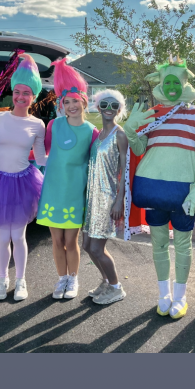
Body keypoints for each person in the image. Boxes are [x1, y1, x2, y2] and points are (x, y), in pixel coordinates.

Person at [122, 59, 195, 320]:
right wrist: (131, 130)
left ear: (183, 84)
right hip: (152, 187)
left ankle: (180, 297)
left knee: (182, 244)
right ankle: (164, 295)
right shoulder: (153, 113)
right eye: (167, 82)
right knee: (158, 243)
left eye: (176, 82)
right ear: (161, 84)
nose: (171, 86)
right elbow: (139, 149)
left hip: (183, 190)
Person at [0, 54, 46, 304]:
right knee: (2, 237)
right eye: (18, 91)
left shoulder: (38, 124)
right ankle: (3, 279)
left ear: (34, 96)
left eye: (27, 93)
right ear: (13, 92)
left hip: (23, 183)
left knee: (19, 236)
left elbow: (41, 159)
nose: (21, 97)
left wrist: (71, 158)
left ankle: (21, 280)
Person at [36, 59, 98, 300]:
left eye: (76, 101)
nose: (72, 106)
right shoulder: (53, 125)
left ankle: (73, 278)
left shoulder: (91, 131)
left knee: (71, 241)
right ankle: (61, 278)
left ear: (84, 101)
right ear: (62, 104)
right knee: (56, 240)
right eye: (67, 102)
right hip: (53, 192)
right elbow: (43, 152)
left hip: (74, 193)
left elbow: (95, 164)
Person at [82, 89, 129, 305]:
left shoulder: (119, 135)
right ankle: (106, 281)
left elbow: (125, 170)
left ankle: (116, 288)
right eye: (104, 105)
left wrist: (119, 200)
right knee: (86, 245)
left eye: (114, 105)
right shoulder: (99, 134)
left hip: (107, 198)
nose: (109, 109)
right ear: (98, 107)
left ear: (119, 110)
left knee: (96, 248)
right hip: (93, 198)